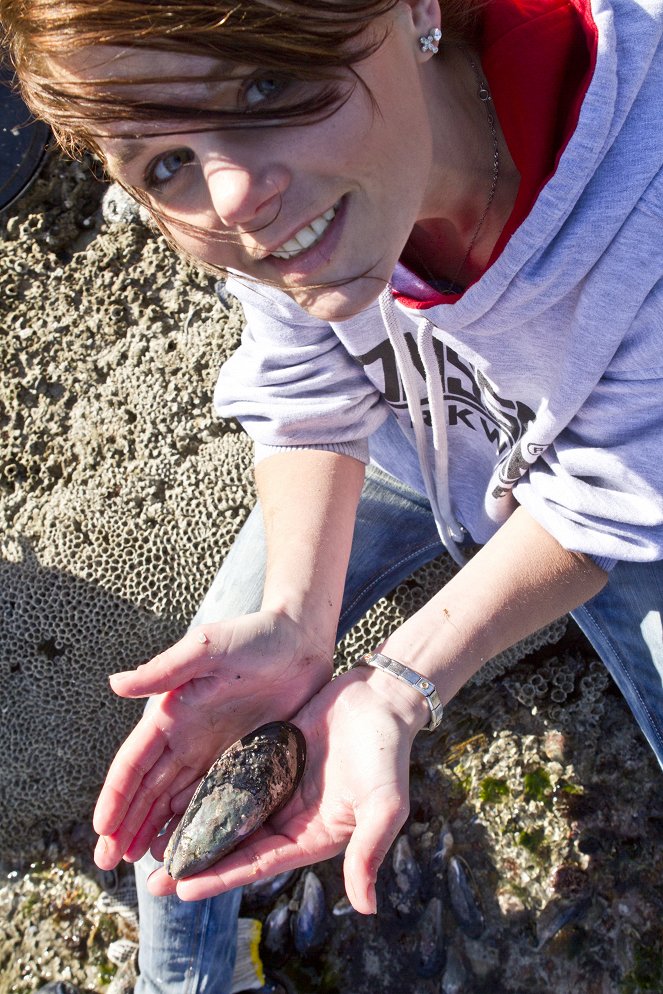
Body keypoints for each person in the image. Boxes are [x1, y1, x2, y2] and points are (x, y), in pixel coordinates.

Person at [2, 0, 661, 990]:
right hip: (412, 442)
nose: (233, 196)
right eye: (164, 163)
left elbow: (612, 493)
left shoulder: (643, 174)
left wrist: (403, 682)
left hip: (625, 496)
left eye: (266, 87)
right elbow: (306, 370)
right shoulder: (298, 197)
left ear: (420, 11)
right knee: (194, 749)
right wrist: (295, 619)